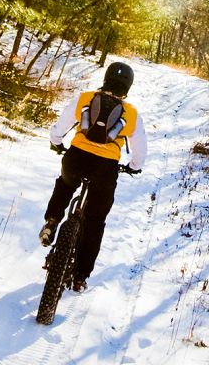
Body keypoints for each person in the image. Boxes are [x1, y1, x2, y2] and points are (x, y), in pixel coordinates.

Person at [41, 60, 147, 292]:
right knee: (95, 221)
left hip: (76, 157)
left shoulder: (85, 98)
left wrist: (56, 143)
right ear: (128, 86)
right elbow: (140, 151)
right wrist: (133, 166)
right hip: (105, 168)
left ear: (106, 78)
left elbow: (61, 126)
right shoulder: (131, 114)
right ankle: (80, 276)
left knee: (65, 185)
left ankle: (51, 222)